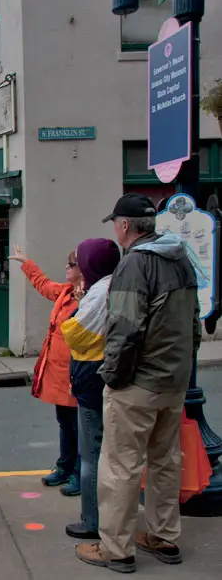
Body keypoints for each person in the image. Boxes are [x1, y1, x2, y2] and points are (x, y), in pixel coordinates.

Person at [76, 193, 199, 573]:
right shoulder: (182, 260)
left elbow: (124, 330)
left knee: (121, 466)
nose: (115, 229)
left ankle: (116, 548)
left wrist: (113, 377)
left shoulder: (135, 265)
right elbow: (193, 323)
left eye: (115, 223)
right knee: (165, 461)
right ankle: (164, 536)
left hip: (138, 383)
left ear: (125, 226)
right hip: (173, 380)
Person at [59, 239, 121, 541]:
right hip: (110, 373)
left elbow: (73, 333)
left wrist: (75, 313)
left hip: (91, 375)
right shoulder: (118, 285)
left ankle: (92, 520)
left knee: (91, 453)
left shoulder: (99, 293)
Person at [9, 245, 82, 496]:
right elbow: (44, 284)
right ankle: (65, 467)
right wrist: (26, 263)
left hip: (77, 372)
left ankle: (79, 473)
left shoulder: (91, 298)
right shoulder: (66, 292)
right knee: (65, 422)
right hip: (60, 372)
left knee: (79, 426)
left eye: (71, 265)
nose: (66, 268)